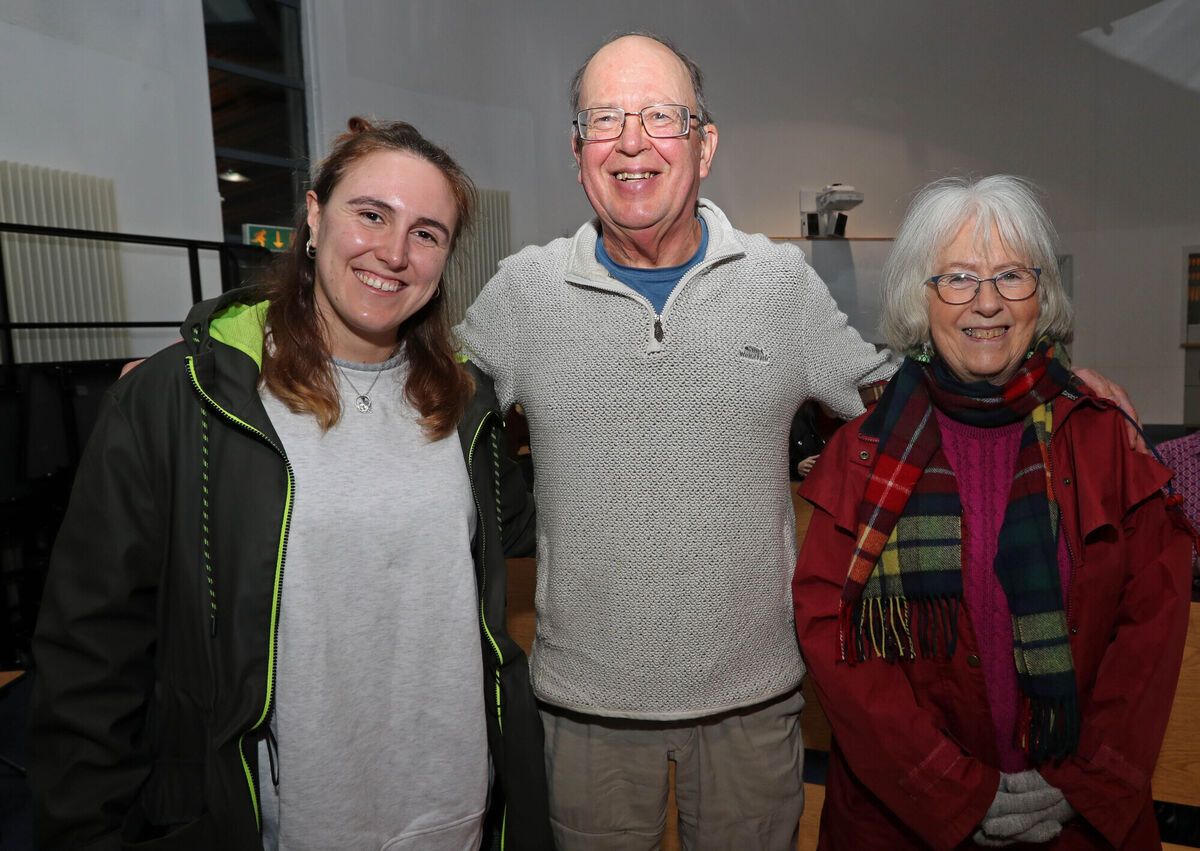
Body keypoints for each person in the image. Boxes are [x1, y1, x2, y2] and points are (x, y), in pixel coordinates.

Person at [30, 117, 553, 850]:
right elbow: (92, 653)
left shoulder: (464, 404)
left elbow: (517, 539)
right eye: (371, 214)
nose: (394, 253)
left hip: (453, 814)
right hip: (276, 824)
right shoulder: (184, 398)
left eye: (427, 233)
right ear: (314, 216)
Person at [793, 175, 1193, 849]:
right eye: (957, 278)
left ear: (1043, 294)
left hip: (1078, 824)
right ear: (921, 298)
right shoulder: (859, 455)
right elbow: (833, 640)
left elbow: (1151, 624)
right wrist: (955, 791)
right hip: (904, 823)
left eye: (1011, 275)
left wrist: (1085, 779)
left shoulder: (1105, 438)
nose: (987, 302)